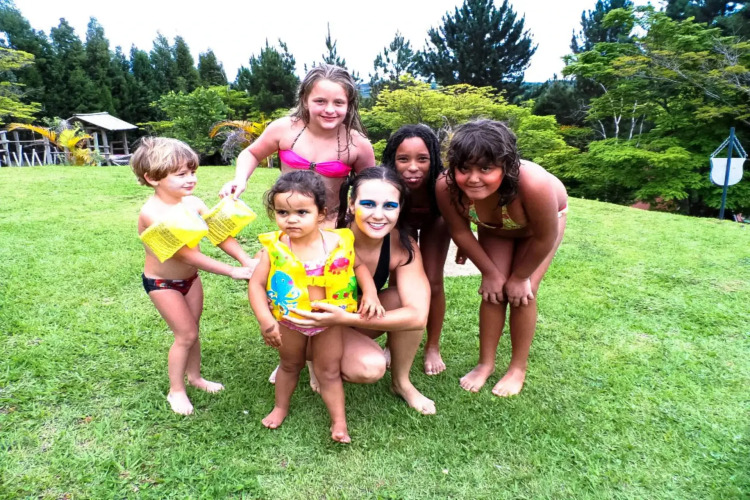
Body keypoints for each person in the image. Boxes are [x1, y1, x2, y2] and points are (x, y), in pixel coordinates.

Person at [285, 167, 436, 415]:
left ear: (400, 208)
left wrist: (346, 318)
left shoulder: (401, 245)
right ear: (352, 204)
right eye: (368, 204)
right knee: (369, 366)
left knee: (402, 299)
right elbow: (273, 265)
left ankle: (401, 382)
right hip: (312, 322)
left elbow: (418, 317)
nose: (378, 215)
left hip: (349, 317)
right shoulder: (322, 232)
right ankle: (311, 360)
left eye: (389, 206)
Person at [248, 171, 384, 443]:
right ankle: (280, 407)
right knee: (289, 365)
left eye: (302, 212)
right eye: (283, 212)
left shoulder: (337, 242)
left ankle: (339, 423)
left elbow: (358, 266)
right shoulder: (273, 249)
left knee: (329, 372)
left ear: (321, 214)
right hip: (290, 321)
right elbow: (256, 285)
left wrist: (370, 294)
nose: (291, 219)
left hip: (329, 322)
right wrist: (266, 320)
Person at [436, 119, 568, 397]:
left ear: (506, 165)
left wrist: (521, 277)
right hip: (495, 229)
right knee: (493, 292)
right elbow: (460, 231)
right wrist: (490, 273)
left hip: (538, 232)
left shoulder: (533, 183)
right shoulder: (445, 187)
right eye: (464, 168)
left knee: (523, 294)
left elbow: (545, 237)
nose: (473, 178)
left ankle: (517, 368)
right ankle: (485, 364)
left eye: (486, 168)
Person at [132, 137, 256, 415]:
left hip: (190, 280)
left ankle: (195, 377)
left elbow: (218, 233)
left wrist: (246, 259)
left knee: (193, 330)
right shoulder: (153, 213)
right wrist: (232, 271)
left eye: (192, 172)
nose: (191, 179)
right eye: (181, 174)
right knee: (185, 335)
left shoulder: (193, 202)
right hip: (163, 284)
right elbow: (185, 255)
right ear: (152, 178)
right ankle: (176, 390)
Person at [219, 63, 376, 227]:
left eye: (338, 103)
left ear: (349, 105)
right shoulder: (284, 128)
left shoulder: (358, 143)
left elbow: (371, 187)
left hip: (332, 225)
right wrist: (240, 179)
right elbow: (252, 153)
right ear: (305, 100)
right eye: (320, 101)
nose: (330, 110)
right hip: (291, 223)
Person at [382, 124, 451, 375]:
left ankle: (432, 345)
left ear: (433, 159)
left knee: (433, 282)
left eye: (422, 159)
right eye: (403, 159)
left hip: (436, 220)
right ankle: (392, 342)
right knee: (398, 281)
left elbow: (457, 214)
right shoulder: (388, 183)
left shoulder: (443, 183)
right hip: (402, 222)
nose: (413, 167)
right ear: (393, 160)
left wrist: (463, 246)